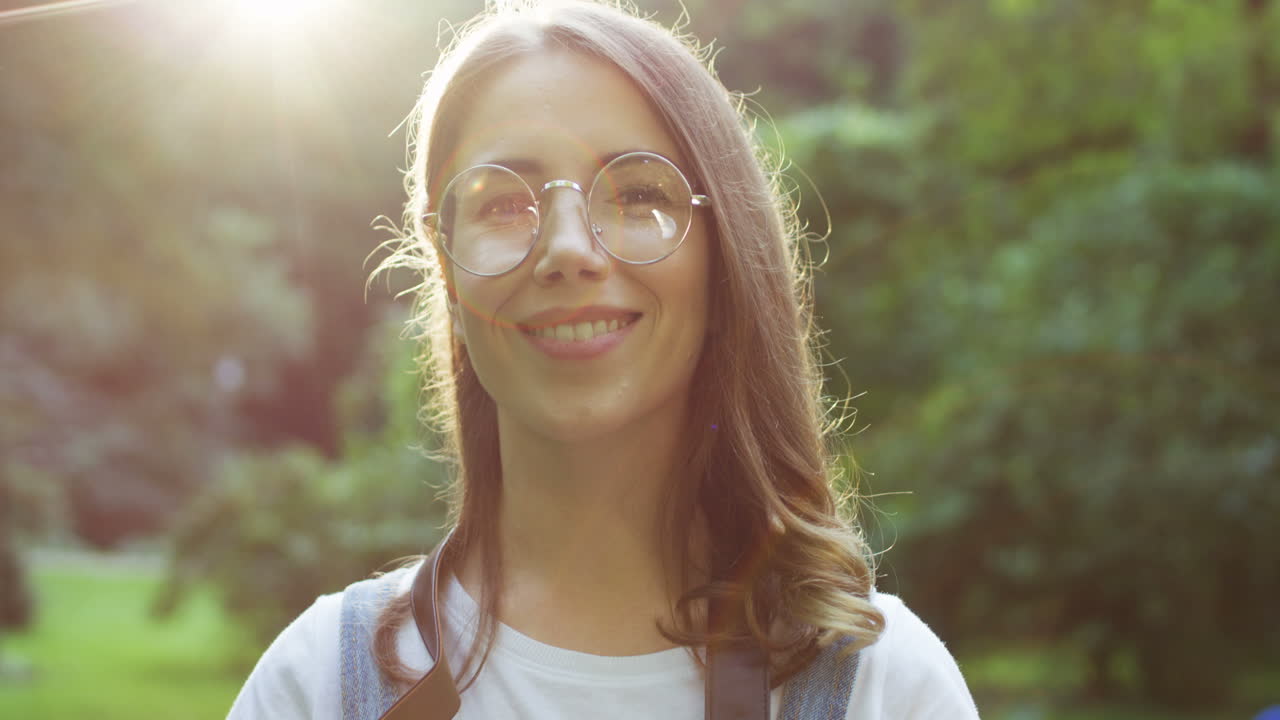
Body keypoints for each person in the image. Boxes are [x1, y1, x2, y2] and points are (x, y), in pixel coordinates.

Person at [228, 1, 980, 718]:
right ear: (447, 272)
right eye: (503, 202)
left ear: (725, 263)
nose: (566, 249)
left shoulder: (885, 691)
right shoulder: (317, 687)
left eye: (638, 193)